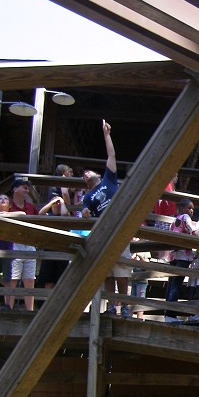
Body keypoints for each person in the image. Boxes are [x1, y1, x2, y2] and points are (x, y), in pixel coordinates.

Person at [81, 120, 131, 318]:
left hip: (119, 228)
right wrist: (85, 213)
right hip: (103, 233)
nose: (86, 174)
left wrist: (106, 134)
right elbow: (85, 214)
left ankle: (125, 306)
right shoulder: (87, 197)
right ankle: (111, 306)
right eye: (84, 175)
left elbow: (111, 155)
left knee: (122, 271)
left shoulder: (108, 179)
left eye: (88, 171)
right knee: (108, 272)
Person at [8, 178, 39, 311]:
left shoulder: (31, 207)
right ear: (15, 189)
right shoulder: (7, 205)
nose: (27, 190)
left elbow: (39, 221)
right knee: (13, 278)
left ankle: (29, 310)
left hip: (29, 243)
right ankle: (8, 307)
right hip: (13, 242)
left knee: (29, 279)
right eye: (24, 187)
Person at [165, 199, 196, 322]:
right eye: (189, 208)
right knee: (177, 284)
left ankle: (167, 312)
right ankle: (171, 314)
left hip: (173, 255)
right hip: (183, 255)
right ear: (182, 208)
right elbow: (193, 232)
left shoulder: (174, 221)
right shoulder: (185, 218)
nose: (191, 210)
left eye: (192, 208)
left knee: (172, 283)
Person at [37, 193, 70, 290]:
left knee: (61, 280)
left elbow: (64, 214)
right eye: (55, 204)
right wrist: (51, 202)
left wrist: (62, 202)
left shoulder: (65, 214)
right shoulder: (48, 215)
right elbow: (40, 213)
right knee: (48, 280)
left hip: (62, 249)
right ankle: (47, 302)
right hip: (49, 249)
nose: (56, 205)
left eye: (58, 204)